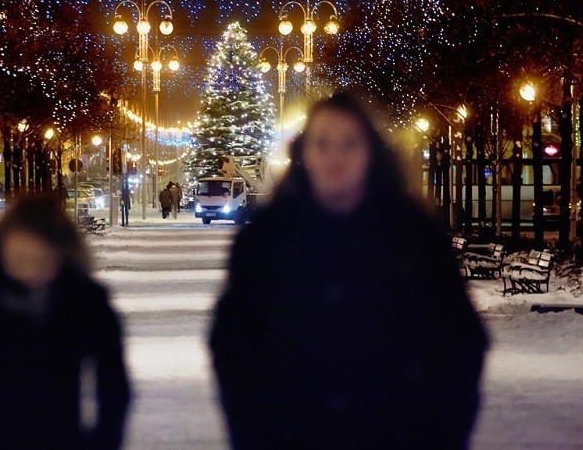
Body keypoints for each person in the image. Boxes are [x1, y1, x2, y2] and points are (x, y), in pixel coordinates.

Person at [209, 90, 487, 449]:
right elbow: (234, 344)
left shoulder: (414, 237)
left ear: (371, 152)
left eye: (349, 143)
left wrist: (438, 431)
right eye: (322, 143)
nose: (334, 157)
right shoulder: (266, 241)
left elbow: (459, 343)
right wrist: (254, 430)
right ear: (303, 153)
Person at [0, 194, 131, 449]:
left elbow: (113, 385)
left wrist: (102, 442)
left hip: (59, 438)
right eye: (21, 258)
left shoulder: (85, 300)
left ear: (62, 254)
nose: (31, 270)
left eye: (42, 261)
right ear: (1, 248)